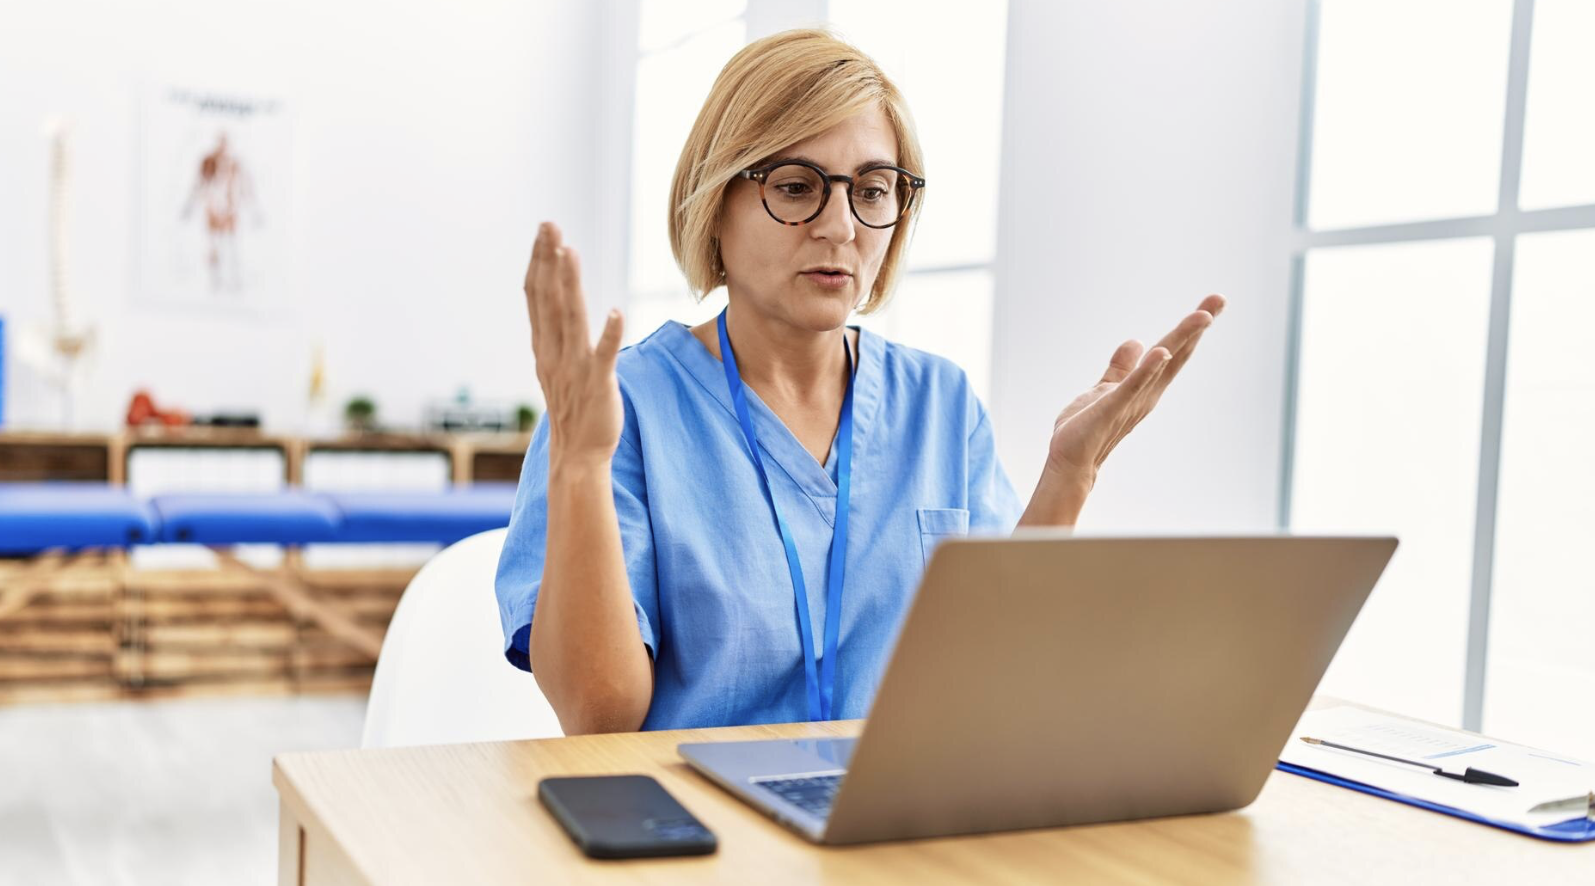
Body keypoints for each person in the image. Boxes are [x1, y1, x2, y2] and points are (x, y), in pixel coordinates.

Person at [497, 28, 1225, 735]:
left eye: (873, 191)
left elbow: (993, 679)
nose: (842, 226)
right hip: (698, 835)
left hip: (897, 823)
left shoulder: (939, 404)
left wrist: (1071, 474)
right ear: (714, 204)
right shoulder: (619, 409)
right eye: (795, 186)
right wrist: (583, 466)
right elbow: (599, 715)